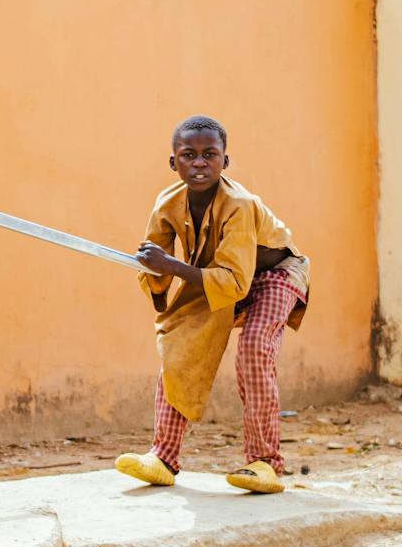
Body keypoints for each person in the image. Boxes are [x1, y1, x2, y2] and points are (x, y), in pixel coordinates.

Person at [114, 115, 309, 493]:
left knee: (254, 349)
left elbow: (235, 281)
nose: (199, 163)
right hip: (215, 275)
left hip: (274, 275)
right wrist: (158, 288)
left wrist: (170, 267)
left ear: (225, 161)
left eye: (210, 154)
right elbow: (155, 260)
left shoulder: (238, 204)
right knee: (180, 350)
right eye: (189, 155)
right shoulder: (168, 202)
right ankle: (163, 456)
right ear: (174, 163)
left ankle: (264, 463)